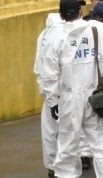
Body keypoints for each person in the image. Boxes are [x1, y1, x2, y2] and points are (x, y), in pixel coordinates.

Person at [41, 0, 103, 178]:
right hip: (96, 96)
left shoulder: (55, 37)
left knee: (68, 147)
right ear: (81, 11)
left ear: (61, 15)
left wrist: (52, 101)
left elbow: (50, 74)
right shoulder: (97, 30)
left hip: (68, 99)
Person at [34, 12, 65, 177]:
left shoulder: (44, 35)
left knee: (49, 131)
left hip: (47, 90)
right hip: (63, 91)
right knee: (67, 131)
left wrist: (46, 91)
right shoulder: (63, 33)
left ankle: (52, 167)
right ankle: (64, 167)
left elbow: (39, 66)